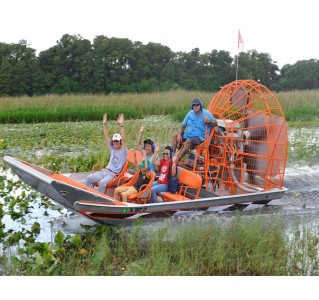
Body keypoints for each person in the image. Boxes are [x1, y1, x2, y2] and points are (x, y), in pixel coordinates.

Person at [86, 113, 128, 193]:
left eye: (117, 141)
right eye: (114, 141)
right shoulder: (112, 149)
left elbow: (124, 139)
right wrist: (104, 124)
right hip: (106, 171)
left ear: (120, 142)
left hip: (114, 175)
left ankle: (100, 200)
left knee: (102, 183)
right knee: (89, 178)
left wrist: (121, 126)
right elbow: (107, 137)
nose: (115, 143)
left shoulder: (123, 151)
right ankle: (90, 196)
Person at [172, 97, 217, 165]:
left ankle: (176, 161)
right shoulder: (190, 113)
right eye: (194, 105)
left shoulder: (206, 113)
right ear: (192, 106)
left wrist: (209, 121)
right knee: (175, 135)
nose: (195, 107)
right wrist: (179, 134)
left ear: (200, 105)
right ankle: (171, 157)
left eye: (197, 105)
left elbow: (216, 124)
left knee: (188, 141)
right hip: (189, 135)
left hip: (200, 138)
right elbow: (183, 126)